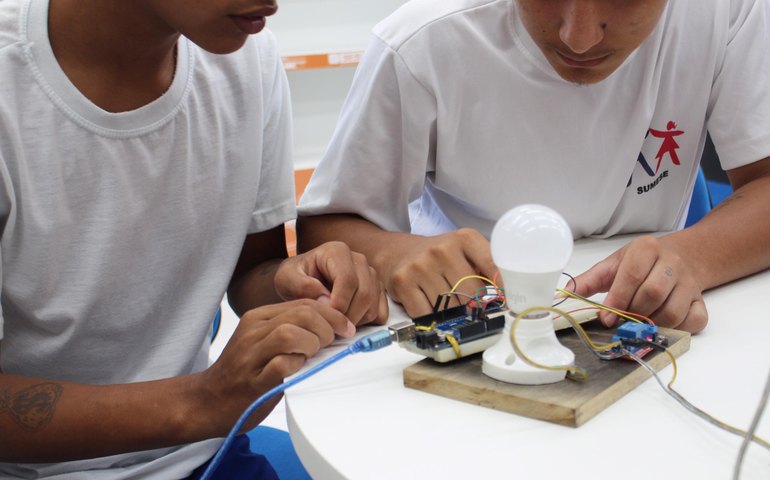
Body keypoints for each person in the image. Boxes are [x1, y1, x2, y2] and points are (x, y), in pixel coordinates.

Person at [0, 0, 387, 478]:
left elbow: (249, 272)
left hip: (206, 454)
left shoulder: (247, 59)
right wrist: (200, 402)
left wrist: (293, 281)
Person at [297, 0, 770, 334]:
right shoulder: (423, 40)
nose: (578, 36)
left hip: (637, 312)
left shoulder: (729, 12)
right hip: (473, 307)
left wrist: (694, 254)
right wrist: (390, 252)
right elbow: (324, 231)